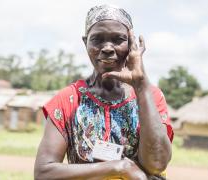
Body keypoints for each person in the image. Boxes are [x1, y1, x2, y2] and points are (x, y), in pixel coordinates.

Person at [34, 4, 173, 180]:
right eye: (97, 39)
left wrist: (141, 85)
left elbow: (157, 163)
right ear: (85, 43)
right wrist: (120, 167)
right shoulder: (68, 100)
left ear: (132, 45)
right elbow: (44, 173)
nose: (107, 48)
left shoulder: (150, 96)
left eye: (118, 39)